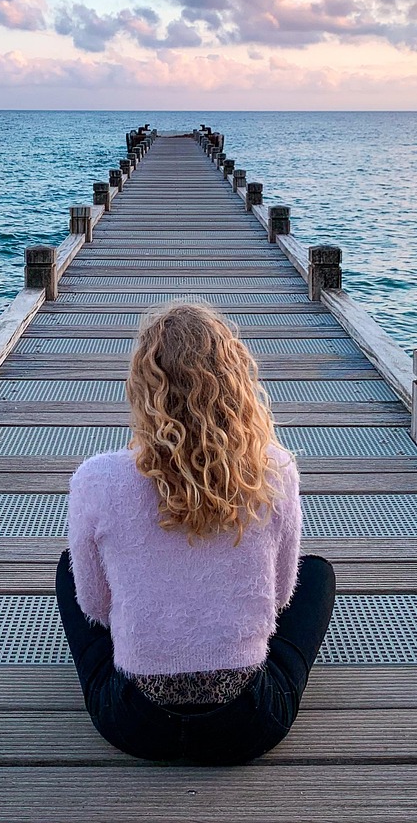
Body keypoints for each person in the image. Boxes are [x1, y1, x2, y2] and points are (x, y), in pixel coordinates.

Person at [55, 300, 336, 764]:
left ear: (142, 389)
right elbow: (282, 596)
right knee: (318, 576)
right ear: (236, 386)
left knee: (70, 567)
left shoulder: (96, 479)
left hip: (133, 723)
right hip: (248, 724)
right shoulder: (276, 470)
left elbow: (95, 608)